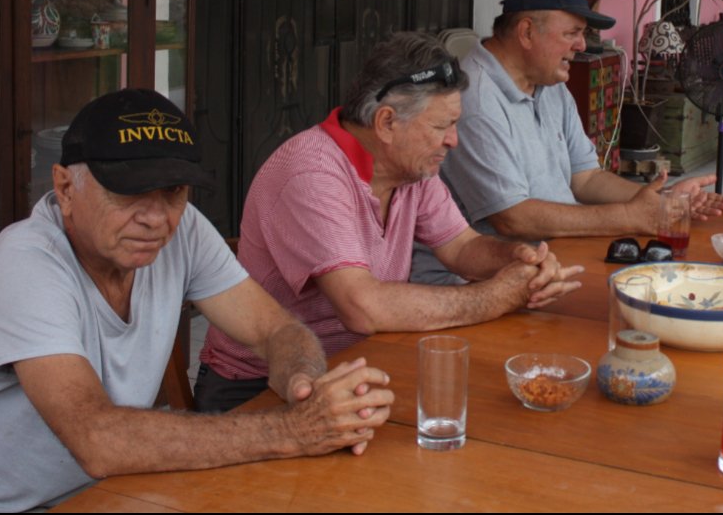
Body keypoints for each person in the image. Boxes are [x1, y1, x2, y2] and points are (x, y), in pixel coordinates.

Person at [0, 89, 394, 513]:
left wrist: (304, 384)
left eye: (174, 192)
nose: (156, 218)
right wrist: (293, 431)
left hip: (114, 490)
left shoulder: (181, 230)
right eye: (129, 193)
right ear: (64, 189)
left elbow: (276, 330)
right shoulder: (24, 266)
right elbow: (97, 439)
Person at [196, 32, 582, 412]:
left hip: (362, 365)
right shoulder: (311, 173)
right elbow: (363, 308)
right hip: (262, 389)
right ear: (386, 123)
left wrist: (520, 261)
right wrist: (494, 297)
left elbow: (462, 247)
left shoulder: (411, 170)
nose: (453, 141)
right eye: (440, 126)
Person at [413, 0, 723, 284]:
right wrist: (628, 217)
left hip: (552, 255)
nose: (582, 44)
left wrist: (664, 202)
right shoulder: (477, 98)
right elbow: (513, 217)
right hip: (478, 278)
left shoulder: (548, 83)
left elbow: (586, 177)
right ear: (526, 32)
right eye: (572, 33)